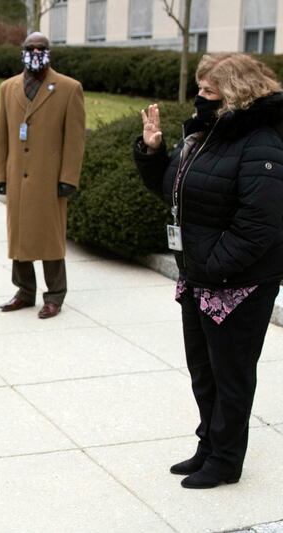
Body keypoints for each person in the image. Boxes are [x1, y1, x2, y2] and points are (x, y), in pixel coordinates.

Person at [134, 53, 283, 489]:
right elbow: (176, 192)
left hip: (239, 284)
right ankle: (209, 446)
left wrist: (213, 265)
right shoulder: (206, 134)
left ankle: (226, 459)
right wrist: (153, 151)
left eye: (207, 91)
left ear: (234, 94)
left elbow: (261, 225)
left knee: (231, 375)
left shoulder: (262, 144)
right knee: (204, 370)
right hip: (201, 277)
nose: (198, 98)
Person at [0, 32, 85, 320]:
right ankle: (24, 290)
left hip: (49, 177)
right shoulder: (8, 88)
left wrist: (69, 176)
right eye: (30, 49)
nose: (35, 53)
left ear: (49, 52)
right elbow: (1, 135)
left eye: (40, 49)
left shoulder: (69, 89)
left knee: (50, 237)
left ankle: (55, 294)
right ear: (22, 52)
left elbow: (75, 139)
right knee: (19, 236)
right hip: (17, 174)